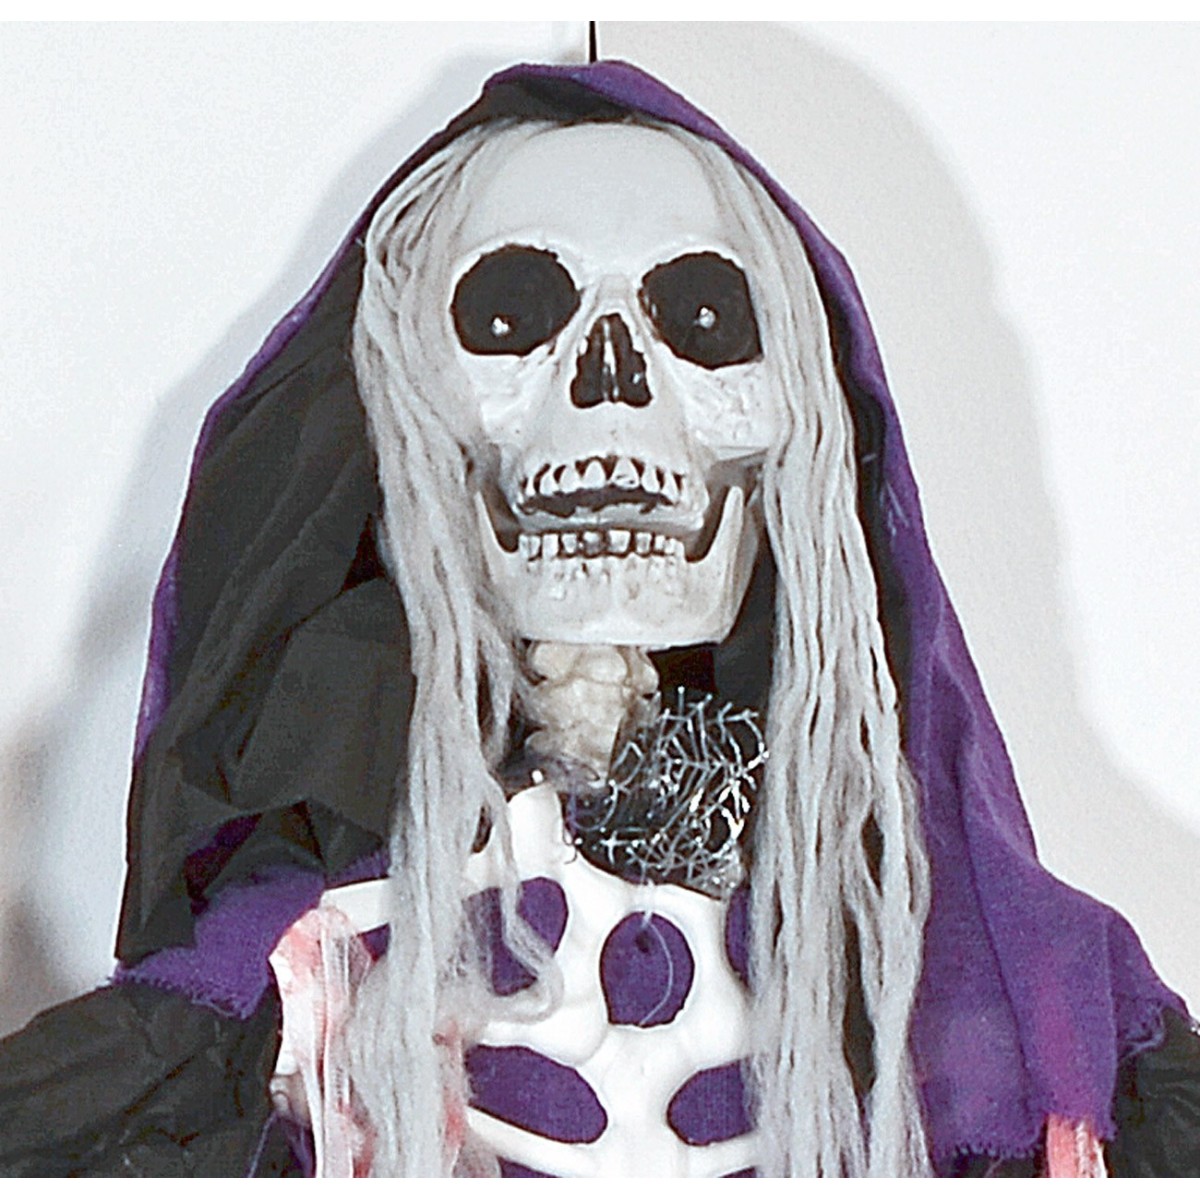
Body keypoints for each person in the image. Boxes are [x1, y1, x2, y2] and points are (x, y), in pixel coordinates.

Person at [0, 60, 1196, 1178]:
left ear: (804, 423)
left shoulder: (1021, 1013)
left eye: (704, 325)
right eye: (512, 319)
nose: (612, 382)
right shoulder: (270, 1001)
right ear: (395, 411)